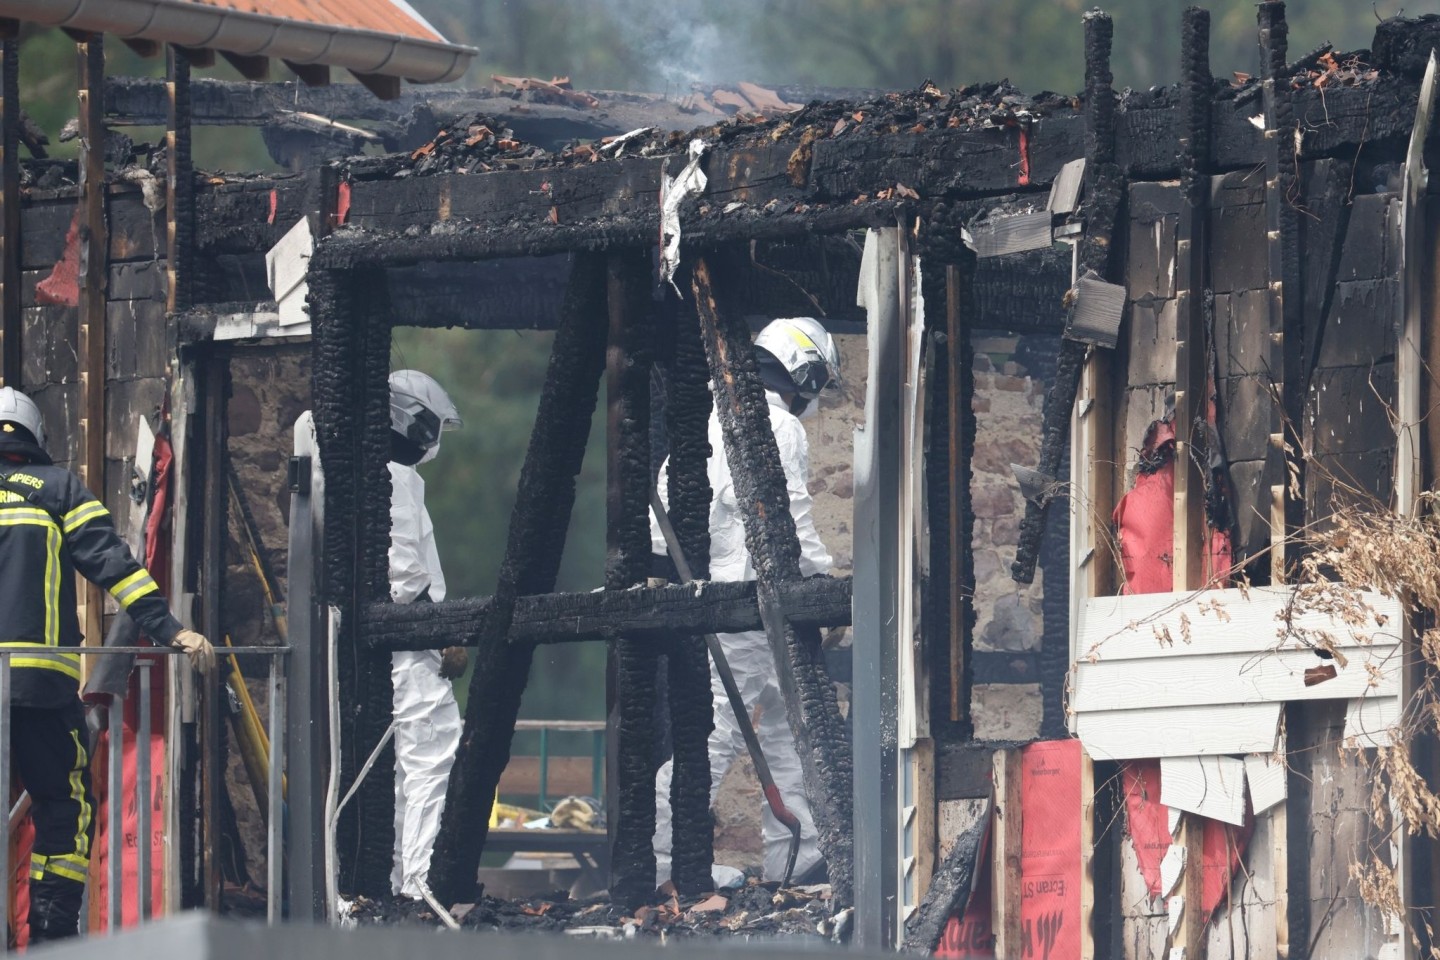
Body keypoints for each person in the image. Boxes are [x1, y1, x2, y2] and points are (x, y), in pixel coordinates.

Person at [0, 387, 212, 943]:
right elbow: (116, 565)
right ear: (35, 437)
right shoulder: (58, 489)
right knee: (64, 807)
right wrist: (172, 630)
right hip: (41, 688)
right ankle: (50, 939)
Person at [651, 317, 840, 888]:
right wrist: (822, 586)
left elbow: (661, 524)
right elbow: (792, 523)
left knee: (786, 723)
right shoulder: (777, 425)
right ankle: (665, 856)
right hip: (754, 609)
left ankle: (799, 850)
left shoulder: (709, 420)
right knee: (717, 732)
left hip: (723, 601)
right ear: (803, 372)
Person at [386, 369, 467, 900]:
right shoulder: (394, 477)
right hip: (409, 648)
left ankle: (399, 881)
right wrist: (442, 637)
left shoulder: (392, 475)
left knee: (403, 772)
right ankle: (420, 885)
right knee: (432, 755)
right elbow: (404, 578)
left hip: (403, 647)